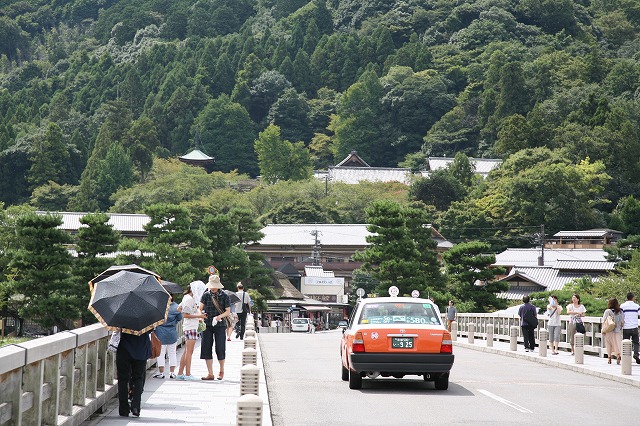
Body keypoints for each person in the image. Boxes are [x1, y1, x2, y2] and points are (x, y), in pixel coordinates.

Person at [199, 274, 231, 380]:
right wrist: (201, 316)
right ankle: (210, 373)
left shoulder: (225, 296)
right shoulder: (206, 295)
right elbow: (200, 308)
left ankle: (221, 370)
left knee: (220, 348)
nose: (213, 288)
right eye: (211, 285)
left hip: (220, 324)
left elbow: (228, 311)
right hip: (207, 324)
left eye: (215, 285)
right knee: (206, 347)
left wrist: (219, 317)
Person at [116, 331, 151, 417]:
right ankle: (136, 406)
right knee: (138, 378)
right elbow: (151, 330)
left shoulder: (123, 317)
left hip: (124, 349)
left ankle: (123, 409)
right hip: (141, 349)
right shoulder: (146, 318)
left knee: (123, 379)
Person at [177, 284, 206, 380]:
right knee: (189, 352)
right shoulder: (189, 299)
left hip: (188, 326)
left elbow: (179, 308)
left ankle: (180, 373)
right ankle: (188, 374)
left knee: (187, 351)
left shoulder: (186, 297)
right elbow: (185, 315)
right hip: (191, 327)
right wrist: (199, 316)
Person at [153, 295, 182, 379]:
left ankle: (161, 373)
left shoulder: (159, 306)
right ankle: (172, 372)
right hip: (172, 332)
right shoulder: (177, 307)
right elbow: (179, 318)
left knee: (161, 354)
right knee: (172, 353)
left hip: (160, 332)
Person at [620, 292, 640, 364]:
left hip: (626, 327)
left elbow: (620, 315)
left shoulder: (622, 306)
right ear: (633, 298)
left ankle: (626, 357)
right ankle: (636, 354)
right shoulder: (636, 306)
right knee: (636, 342)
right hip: (634, 327)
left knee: (626, 343)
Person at [602, 298, 624, 365]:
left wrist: (603, 330)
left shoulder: (607, 311)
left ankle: (609, 357)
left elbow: (604, 321)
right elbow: (622, 321)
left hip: (609, 330)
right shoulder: (620, 311)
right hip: (617, 330)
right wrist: (620, 327)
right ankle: (618, 356)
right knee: (617, 344)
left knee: (609, 344)